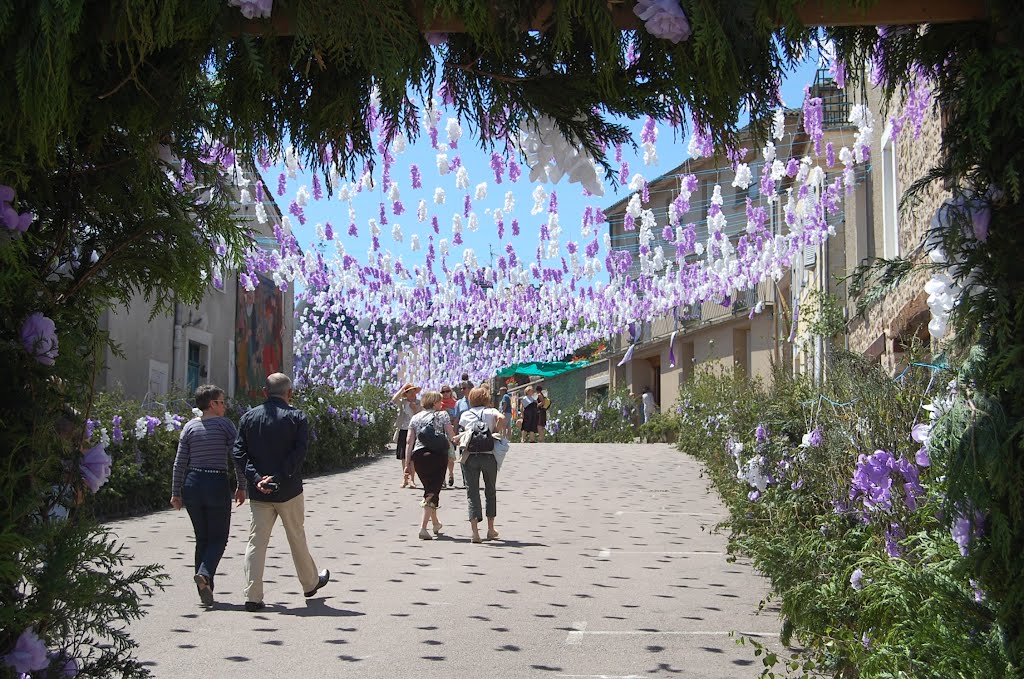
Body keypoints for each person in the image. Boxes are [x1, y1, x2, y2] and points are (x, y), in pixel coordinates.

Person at [233, 373, 330, 612]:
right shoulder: (297, 417)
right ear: (290, 394)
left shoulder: (248, 417)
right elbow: (299, 452)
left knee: (256, 542)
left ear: (265, 392)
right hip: (289, 489)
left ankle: (252, 596)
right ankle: (309, 583)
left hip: (259, 492)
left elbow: (238, 453)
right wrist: (278, 477)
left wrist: (257, 479)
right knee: (296, 536)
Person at [169, 384, 245, 607]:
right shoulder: (225, 425)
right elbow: (237, 457)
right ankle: (205, 574)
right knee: (219, 537)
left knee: (202, 538)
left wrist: (176, 492)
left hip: (192, 484)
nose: (225, 406)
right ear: (212, 404)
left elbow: (179, 462)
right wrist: (242, 485)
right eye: (222, 402)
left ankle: (205, 587)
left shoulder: (189, 427)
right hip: (215, 482)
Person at [405, 390, 457, 540]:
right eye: (439, 401)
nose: (442, 404)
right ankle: (423, 528)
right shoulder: (442, 415)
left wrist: (408, 463)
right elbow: (450, 434)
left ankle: (435, 522)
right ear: (434, 402)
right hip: (438, 455)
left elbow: (409, 441)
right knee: (432, 491)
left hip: (419, 456)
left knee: (431, 488)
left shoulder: (415, 418)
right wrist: (457, 441)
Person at [459, 387, 507, 543]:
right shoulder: (491, 411)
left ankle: (475, 533)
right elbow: (502, 419)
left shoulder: (465, 414)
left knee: (472, 493)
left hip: (470, 456)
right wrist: (496, 431)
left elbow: (462, 432)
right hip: (489, 455)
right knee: (490, 491)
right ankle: (491, 529)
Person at [392, 383, 422, 488]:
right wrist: (402, 388)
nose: (413, 394)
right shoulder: (403, 403)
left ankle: (412, 480)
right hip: (404, 430)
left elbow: (420, 416)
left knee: (413, 457)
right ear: (406, 394)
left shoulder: (419, 403)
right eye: (410, 392)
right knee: (404, 456)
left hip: (414, 431)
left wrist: (415, 409)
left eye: (414, 392)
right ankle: (405, 479)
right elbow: (394, 399)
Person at [439, 385, 458, 487]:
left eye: (447, 391)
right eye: (443, 392)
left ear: (450, 392)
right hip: (441, 432)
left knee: (450, 456)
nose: (445, 393)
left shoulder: (455, 403)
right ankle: (442, 478)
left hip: (451, 432)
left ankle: (451, 474)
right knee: (441, 457)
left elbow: (457, 417)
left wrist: (455, 431)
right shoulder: (438, 404)